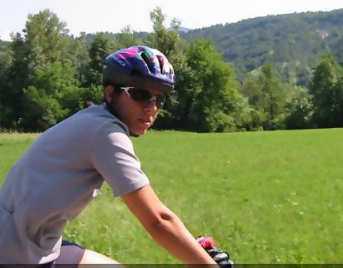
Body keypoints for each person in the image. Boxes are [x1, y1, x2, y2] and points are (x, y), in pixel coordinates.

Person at [0, 45, 232, 266]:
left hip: (29, 242)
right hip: (15, 253)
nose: (151, 107)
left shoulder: (93, 119)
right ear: (111, 94)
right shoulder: (105, 132)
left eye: (159, 99)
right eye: (140, 94)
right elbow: (158, 221)